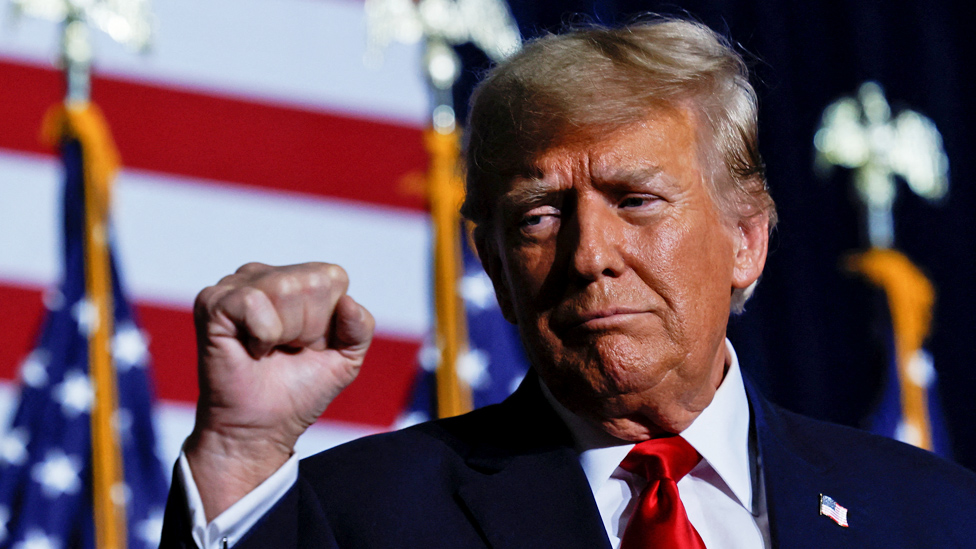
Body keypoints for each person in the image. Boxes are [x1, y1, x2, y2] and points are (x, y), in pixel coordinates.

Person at [161, 18, 976, 549]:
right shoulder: (359, 517)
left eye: (636, 200)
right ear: (498, 273)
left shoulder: (933, 514)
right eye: (541, 216)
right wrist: (239, 453)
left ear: (746, 240)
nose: (591, 255)